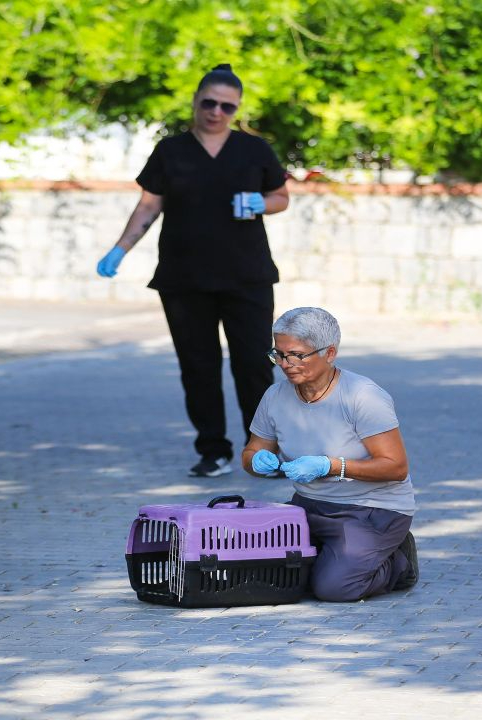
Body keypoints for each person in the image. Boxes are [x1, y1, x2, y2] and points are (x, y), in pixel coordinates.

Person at [96, 63, 289, 478]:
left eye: (227, 106)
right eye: (209, 103)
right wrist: (120, 249)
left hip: (247, 276)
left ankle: (263, 451)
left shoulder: (254, 150)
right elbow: (149, 204)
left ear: (236, 110)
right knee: (197, 366)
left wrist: (261, 203)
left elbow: (281, 196)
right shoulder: (171, 151)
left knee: (254, 364)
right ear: (196, 102)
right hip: (184, 279)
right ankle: (213, 450)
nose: (216, 112)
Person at [242, 306, 419, 602]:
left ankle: (397, 562)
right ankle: (335, 556)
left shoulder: (362, 396)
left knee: (334, 588)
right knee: (267, 575)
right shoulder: (275, 396)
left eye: (297, 355)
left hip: (371, 511)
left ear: (330, 353)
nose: (286, 364)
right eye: (279, 354)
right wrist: (256, 462)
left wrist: (331, 466)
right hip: (308, 506)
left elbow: (395, 467)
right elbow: (251, 452)